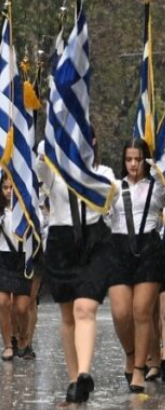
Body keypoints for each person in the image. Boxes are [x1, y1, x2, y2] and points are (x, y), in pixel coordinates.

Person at [36, 136, 115, 403]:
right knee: (68, 314)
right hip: (61, 242)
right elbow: (40, 168)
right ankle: (73, 379)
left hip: (94, 242)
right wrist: (50, 143)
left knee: (85, 308)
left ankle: (83, 373)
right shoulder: (54, 172)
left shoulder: (102, 173)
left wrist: (83, 169)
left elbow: (109, 192)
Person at [106, 138, 165, 393]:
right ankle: (131, 353)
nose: (133, 164)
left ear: (145, 159)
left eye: (138, 159)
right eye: (128, 159)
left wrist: (161, 174)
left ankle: (140, 369)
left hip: (150, 248)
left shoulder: (158, 186)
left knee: (142, 311)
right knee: (121, 313)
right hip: (119, 248)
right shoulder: (114, 187)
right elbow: (102, 215)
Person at [0, 173, 34, 365]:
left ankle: (22, 337)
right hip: (3, 258)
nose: (9, 191)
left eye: (12, 187)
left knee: (21, 307)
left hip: (23, 259)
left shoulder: (27, 209)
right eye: (5, 188)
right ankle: (7, 345)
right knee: (3, 303)